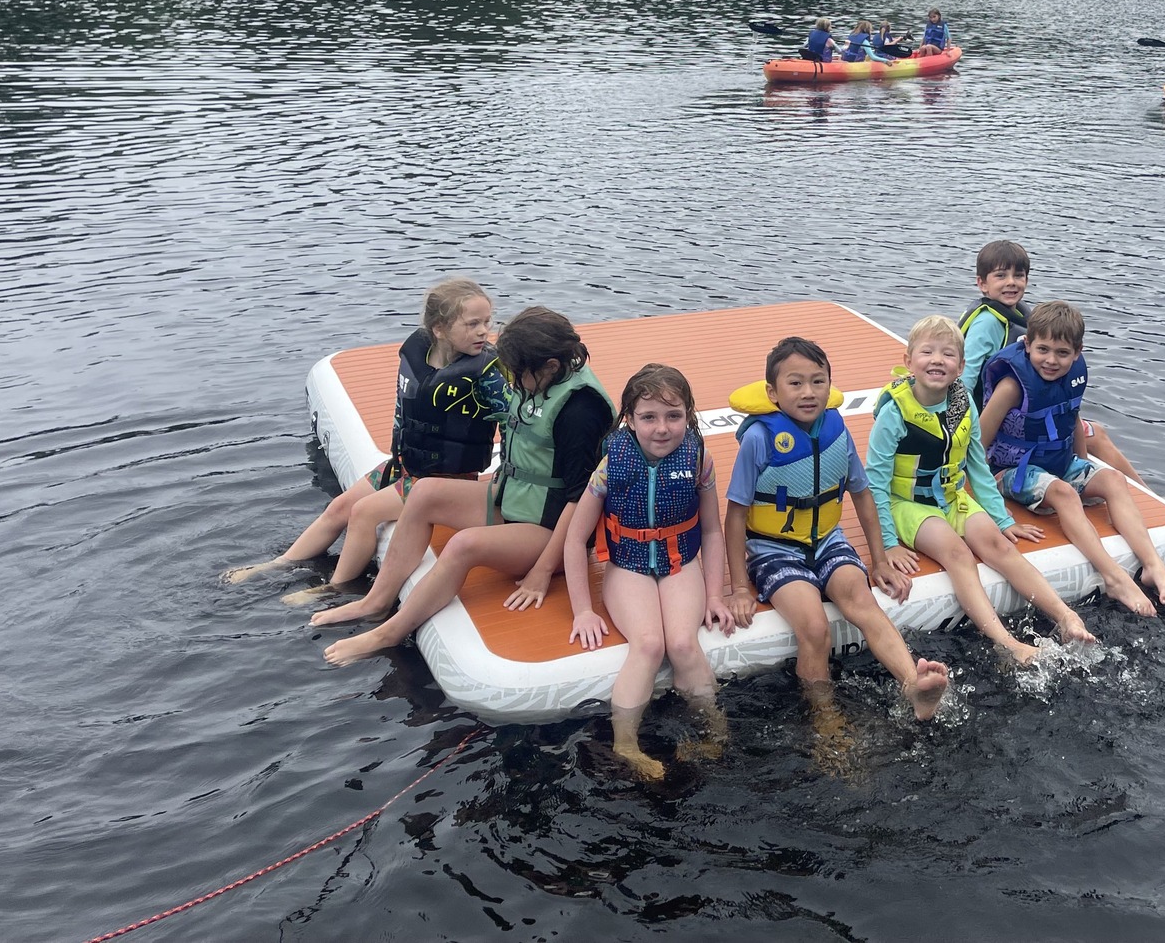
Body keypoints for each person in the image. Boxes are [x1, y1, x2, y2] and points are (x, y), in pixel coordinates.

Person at [315, 307, 614, 665]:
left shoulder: (581, 411)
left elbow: (580, 500)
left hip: (552, 531)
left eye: (518, 374)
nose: (513, 383)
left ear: (550, 366)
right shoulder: (542, 378)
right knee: (424, 493)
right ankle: (376, 601)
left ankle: (389, 633)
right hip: (515, 499)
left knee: (463, 545)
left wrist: (542, 571)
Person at [225, 278, 506, 591]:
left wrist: (507, 478)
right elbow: (403, 413)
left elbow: (513, 422)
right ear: (439, 329)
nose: (484, 331)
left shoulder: (488, 374)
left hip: (447, 482)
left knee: (364, 512)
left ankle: (334, 588)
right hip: (407, 467)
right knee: (339, 508)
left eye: (487, 322)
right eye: (473, 324)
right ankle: (278, 564)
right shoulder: (419, 354)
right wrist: (397, 459)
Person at [723, 337, 949, 721]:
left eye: (818, 381)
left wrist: (879, 560)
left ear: (829, 384)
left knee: (864, 602)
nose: (808, 392)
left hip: (828, 541)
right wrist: (741, 588)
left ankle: (914, 686)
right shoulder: (760, 440)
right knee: (813, 628)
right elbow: (735, 516)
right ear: (772, 392)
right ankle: (826, 720)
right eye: (795, 383)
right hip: (773, 550)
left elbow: (861, 495)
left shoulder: (836, 430)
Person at [865, 316, 1097, 663]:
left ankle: (1065, 616)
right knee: (956, 552)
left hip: (953, 498)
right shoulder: (894, 414)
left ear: (960, 366)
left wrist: (1003, 521)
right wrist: (887, 545)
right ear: (909, 361)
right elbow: (875, 484)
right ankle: (1006, 642)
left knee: (999, 546)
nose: (937, 360)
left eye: (948, 354)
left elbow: (977, 467)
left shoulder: (963, 403)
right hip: (909, 504)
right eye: (927, 352)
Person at [563, 364, 734, 780]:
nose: (662, 428)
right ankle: (625, 744)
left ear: (689, 417)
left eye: (674, 416)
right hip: (628, 567)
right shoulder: (610, 465)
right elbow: (574, 540)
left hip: (679, 564)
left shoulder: (699, 460)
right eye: (649, 417)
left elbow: (712, 531)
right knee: (648, 645)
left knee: (682, 643)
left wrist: (715, 595)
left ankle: (715, 730)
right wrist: (582, 610)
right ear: (630, 420)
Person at [979, 301, 1165, 616]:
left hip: (1057, 463)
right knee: (1064, 493)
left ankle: (1153, 564)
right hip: (1011, 470)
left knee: (1112, 479)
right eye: (1042, 350)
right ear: (1028, 345)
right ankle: (1114, 578)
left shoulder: (1073, 376)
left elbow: (1071, 417)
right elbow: (979, 443)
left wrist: (1084, 467)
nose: (1051, 360)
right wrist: (988, 501)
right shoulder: (1012, 387)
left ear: (1077, 352)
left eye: (1062, 353)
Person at [959, 241, 1149, 489]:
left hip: (1025, 411)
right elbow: (965, 377)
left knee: (1096, 432)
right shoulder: (987, 324)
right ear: (982, 283)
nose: (1011, 282)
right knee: (1096, 435)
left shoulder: (1019, 314)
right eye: (1001, 276)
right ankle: (1142, 493)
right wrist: (964, 428)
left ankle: (1143, 492)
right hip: (994, 417)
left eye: (1019, 275)